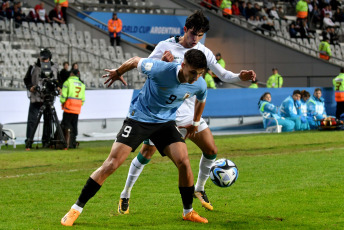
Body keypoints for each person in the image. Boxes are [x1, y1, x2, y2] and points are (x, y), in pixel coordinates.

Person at [105, 10, 256, 215]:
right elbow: (149, 75)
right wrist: (166, 64)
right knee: (146, 153)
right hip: (166, 114)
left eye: (200, 35)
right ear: (185, 29)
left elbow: (223, 75)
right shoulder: (164, 46)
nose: (196, 39)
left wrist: (241, 76)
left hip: (188, 110)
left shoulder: (203, 51)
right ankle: (126, 193)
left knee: (211, 149)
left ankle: (199, 189)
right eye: (194, 33)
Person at [61, 49, 210, 226]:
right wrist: (118, 72)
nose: (195, 77)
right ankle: (75, 209)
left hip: (165, 123)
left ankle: (188, 211)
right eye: (193, 72)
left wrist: (195, 122)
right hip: (139, 118)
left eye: (200, 74)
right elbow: (134, 61)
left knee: (184, 162)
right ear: (183, 65)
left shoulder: (199, 83)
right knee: (112, 164)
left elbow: (202, 98)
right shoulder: (160, 69)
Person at [23, 48, 60, 149]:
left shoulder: (55, 67)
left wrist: (58, 87)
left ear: (49, 58)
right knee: (32, 121)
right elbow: (26, 79)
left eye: (45, 59)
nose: (43, 61)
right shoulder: (33, 67)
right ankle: (29, 141)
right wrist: (30, 87)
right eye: (42, 59)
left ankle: (46, 141)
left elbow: (58, 80)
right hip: (35, 98)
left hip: (48, 97)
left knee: (48, 120)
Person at [60, 69, 85, 148]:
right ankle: (73, 143)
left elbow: (63, 96)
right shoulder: (82, 84)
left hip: (68, 107)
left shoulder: (67, 82)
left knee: (66, 125)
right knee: (74, 126)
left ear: (71, 74)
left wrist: (62, 102)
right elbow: (83, 99)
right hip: (77, 108)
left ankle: (66, 143)